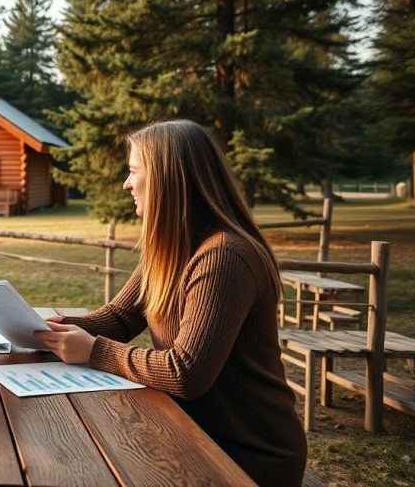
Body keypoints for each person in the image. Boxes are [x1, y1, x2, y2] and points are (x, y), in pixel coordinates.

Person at [34, 119, 307, 485]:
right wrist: (40, 325)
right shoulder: (172, 246)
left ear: (167, 178)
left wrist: (95, 351)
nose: (126, 184)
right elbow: (120, 317)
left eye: (133, 171)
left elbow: (185, 373)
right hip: (195, 429)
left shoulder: (224, 257)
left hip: (249, 452)